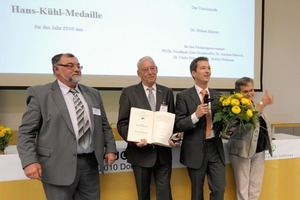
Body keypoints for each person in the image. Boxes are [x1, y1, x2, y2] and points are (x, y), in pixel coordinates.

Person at [17, 53, 117, 200]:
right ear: (56, 69)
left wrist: (110, 149)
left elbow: (104, 125)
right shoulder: (40, 94)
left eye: (78, 66)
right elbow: (26, 132)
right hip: (56, 166)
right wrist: (29, 161)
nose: (76, 69)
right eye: (70, 66)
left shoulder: (93, 94)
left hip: (90, 164)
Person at [117, 56, 176, 200]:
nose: (150, 72)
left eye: (152, 68)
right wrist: (133, 139)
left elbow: (172, 120)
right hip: (140, 154)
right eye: (145, 70)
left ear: (157, 70)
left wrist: (174, 136)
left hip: (163, 154)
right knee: (143, 195)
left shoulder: (167, 92)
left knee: (165, 196)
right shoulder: (129, 92)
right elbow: (122, 123)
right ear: (139, 73)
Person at [175, 56, 226, 200]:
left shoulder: (218, 96)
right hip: (195, 150)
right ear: (193, 73)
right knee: (197, 192)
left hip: (215, 148)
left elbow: (221, 123)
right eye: (203, 68)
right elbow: (179, 124)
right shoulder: (183, 96)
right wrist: (195, 116)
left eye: (209, 68)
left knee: (219, 188)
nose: (207, 71)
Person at [228, 77, 273, 200]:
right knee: (243, 189)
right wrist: (263, 103)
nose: (250, 94)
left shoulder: (253, 105)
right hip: (242, 151)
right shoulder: (234, 107)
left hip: (258, 150)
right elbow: (248, 121)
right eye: (245, 91)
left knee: (255, 188)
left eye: (251, 90)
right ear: (238, 93)